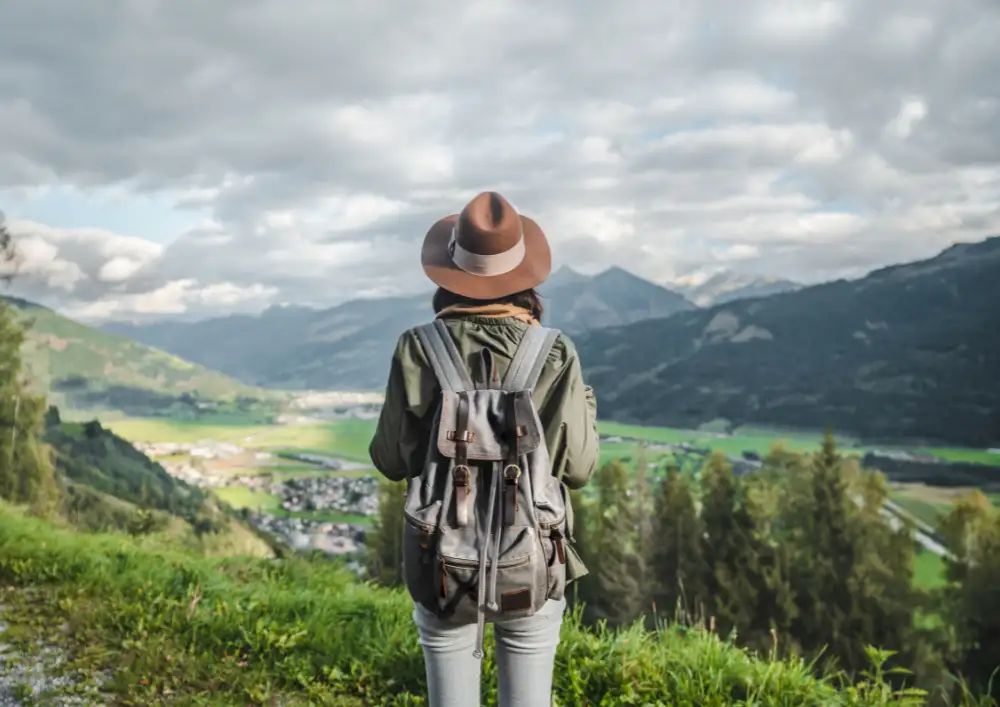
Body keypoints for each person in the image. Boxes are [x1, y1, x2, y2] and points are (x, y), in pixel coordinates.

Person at [369, 191, 599, 707]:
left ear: (451, 270)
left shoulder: (417, 347)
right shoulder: (554, 351)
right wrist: (583, 401)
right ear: (524, 275)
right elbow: (579, 469)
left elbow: (389, 460)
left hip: (441, 562)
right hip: (533, 558)